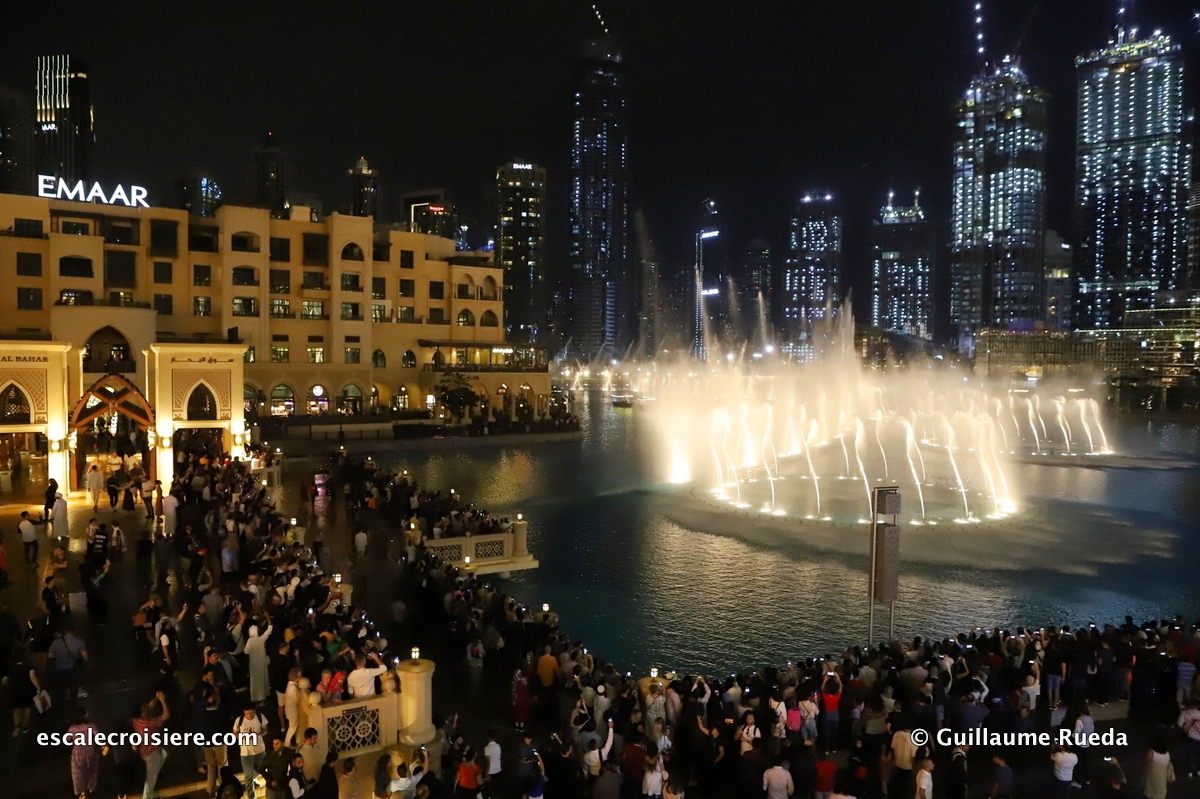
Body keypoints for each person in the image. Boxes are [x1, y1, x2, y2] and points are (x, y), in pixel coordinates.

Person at [135, 691, 171, 799]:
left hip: (146, 750)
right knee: (151, 779)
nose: (147, 706)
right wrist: (163, 701)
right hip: (152, 753)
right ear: (142, 713)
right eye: (143, 707)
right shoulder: (148, 723)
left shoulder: (137, 720)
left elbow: (149, 706)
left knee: (163, 754)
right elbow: (166, 715)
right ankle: (147, 797)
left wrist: (156, 698)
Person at [69, 706, 101, 799]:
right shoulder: (91, 725)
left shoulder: (72, 728)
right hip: (91, 752)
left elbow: (68, 739)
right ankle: (91, 787)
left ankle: (82, 792)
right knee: (92, 770)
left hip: (78, 754)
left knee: (79, 774)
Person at [236, 705, 268, 791]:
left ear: (255, 710)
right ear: (244, 712)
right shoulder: (239, 720)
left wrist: (258, 735)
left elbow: (265, 729)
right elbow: (235, 732)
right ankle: (251, 796)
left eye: (251, 713)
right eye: (247, 713)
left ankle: (254, 778)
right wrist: (243, 737)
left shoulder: (260, 717)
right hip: (245, 752)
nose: (249, 715)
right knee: (248, 776)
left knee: (261, 769)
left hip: (259, 749)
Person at [9, 645, 40, 737]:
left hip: (14, 689)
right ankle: (25, 727)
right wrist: (38, 688)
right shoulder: (28, 664)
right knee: (26, 708)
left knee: (16, 708)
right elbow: (33, 678)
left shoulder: (11, 664)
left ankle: (17, 727)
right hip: (26, 689)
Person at [1178, 699, 1200, 778]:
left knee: (1189, 754)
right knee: (1198, 754)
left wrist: (1185, 728)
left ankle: (1190, 771)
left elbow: (1180, 724)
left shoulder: (1185, 713)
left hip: (1189, 736)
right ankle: (1198, 770)